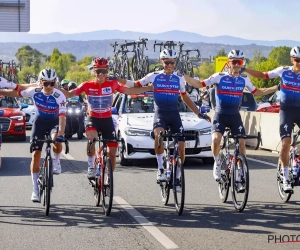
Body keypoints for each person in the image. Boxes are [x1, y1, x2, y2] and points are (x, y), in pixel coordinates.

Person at [117, 49, 210, 188]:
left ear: (175, 63)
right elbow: (135, 85)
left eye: (172, 62)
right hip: (160, 113)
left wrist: (198, 113)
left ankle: (177, 177)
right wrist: (117, 80)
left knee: (181, 147)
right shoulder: (154, 76)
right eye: (167, 62)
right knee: (159, 135)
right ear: (162, 62)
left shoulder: (179, 78)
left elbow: (185, 97)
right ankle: (160, 168)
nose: (169, 65)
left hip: (174, 114)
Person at [184, 50, 277, 188]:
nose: (237, 65)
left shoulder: (244, 78)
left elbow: (257, 92)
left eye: (240, 62)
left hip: (235, 116)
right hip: (220, 115)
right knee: (216, 140)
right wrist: (184, 77)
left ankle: (239, 173)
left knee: (242, 143)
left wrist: (276, 87)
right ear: (228, 63)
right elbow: (199, 84)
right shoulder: (219, 77)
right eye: (234, 62)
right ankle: (217, 162)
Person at [60, 57, 153, 179]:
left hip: (107, 120)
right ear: (94, 71)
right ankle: (91, 167)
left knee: (112, 153)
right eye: (98, 71)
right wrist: (52, 87)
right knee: (92, 140)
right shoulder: (87, 85)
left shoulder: (112, 83)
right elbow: (69, 94)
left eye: (104, 71)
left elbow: (130, 90)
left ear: (107, 71)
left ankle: (109, 177)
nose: (101, 74)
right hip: (93, 118)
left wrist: (149, 88)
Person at [0, 68, 67, 202]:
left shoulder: (60, 96)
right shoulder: (34, 91)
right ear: (40, 82)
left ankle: (57, 160)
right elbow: (16, 93)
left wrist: (60, 133)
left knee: (56, 141)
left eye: (51, 83)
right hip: (40, 122)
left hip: (54, 121)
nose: (48, 87)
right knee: (36, 154)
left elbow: (62, 118)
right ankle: (35, 189)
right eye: (46, 83)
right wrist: (1, 91)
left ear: (55, 83)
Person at [243, 46, 300, 191]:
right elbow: (263, 75)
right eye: (297, 60)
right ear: (291, 60)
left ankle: (297, 160)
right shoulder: (284, 70)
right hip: (286, 111)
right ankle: (286, 177)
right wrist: (246, 70)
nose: (299, 63)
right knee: (286, 143)